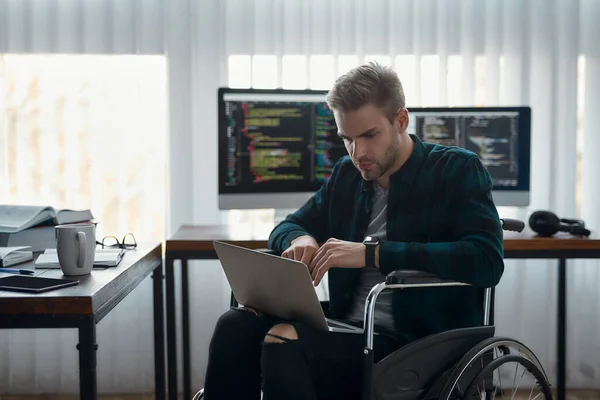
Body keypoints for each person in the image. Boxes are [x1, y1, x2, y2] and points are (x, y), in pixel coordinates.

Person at [203, 62, 504, 400]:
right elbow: (288, 225)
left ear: (401, 120)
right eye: (347, 139)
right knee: (234, 327)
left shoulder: (457, 169)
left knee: (285, 340)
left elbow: (487, 259)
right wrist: (299, 238)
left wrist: (372, 253)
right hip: (347, 329)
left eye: (369, 136)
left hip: (417, 343)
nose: (358, 153)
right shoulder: (348, 175)